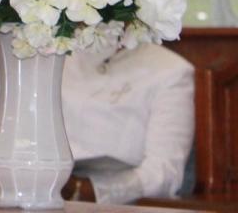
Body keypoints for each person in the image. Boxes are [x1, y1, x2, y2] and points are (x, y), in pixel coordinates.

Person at [58, 42, 195, 204]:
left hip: (123, 205)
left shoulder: (171, 70)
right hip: (42, 194)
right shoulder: (58, 55)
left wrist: (83, 189)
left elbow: (164, 174)